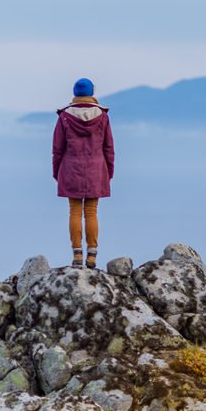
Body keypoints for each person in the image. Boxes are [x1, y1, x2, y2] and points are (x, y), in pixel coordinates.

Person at [53, 78, 115, 269]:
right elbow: (109, 148)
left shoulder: (64, 116)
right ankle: (92, 256)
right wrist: (108, 172)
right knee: (91, 212)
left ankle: (77, 255)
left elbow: (57, 149)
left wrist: (57, 173)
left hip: (71, 169)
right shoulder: (102, 117)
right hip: (97, 170)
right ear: (92, 93)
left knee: (74, 211)